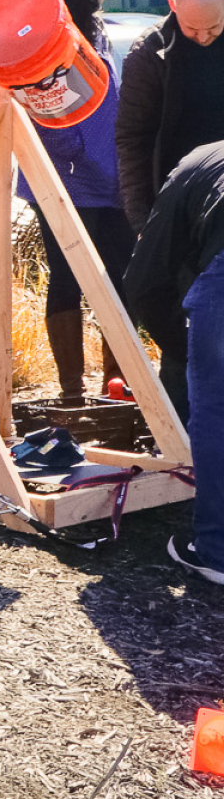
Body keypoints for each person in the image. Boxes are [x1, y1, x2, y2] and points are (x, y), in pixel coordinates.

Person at [16, 0, 133, 406]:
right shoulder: (48, 31)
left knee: (120, 278)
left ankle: (117, 387)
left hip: (112, 175)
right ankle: (71, 393)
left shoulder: (98, 30)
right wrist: (75, 155)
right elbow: (46, 108)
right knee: (67, 278)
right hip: (65, 177)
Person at [115, 0, 224, 416]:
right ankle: (180, 448)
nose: (203, 37)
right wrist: (144, 222)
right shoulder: (150, 53)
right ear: (172, 6)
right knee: (185, 333)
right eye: (193, 26)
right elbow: (132, 140)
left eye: (215, 27)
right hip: (177, 206)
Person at [120, 140, 224, 587]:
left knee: (216, 413)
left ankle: (217, 550)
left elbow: (145, 281)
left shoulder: (196, 163)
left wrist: (183, 353)